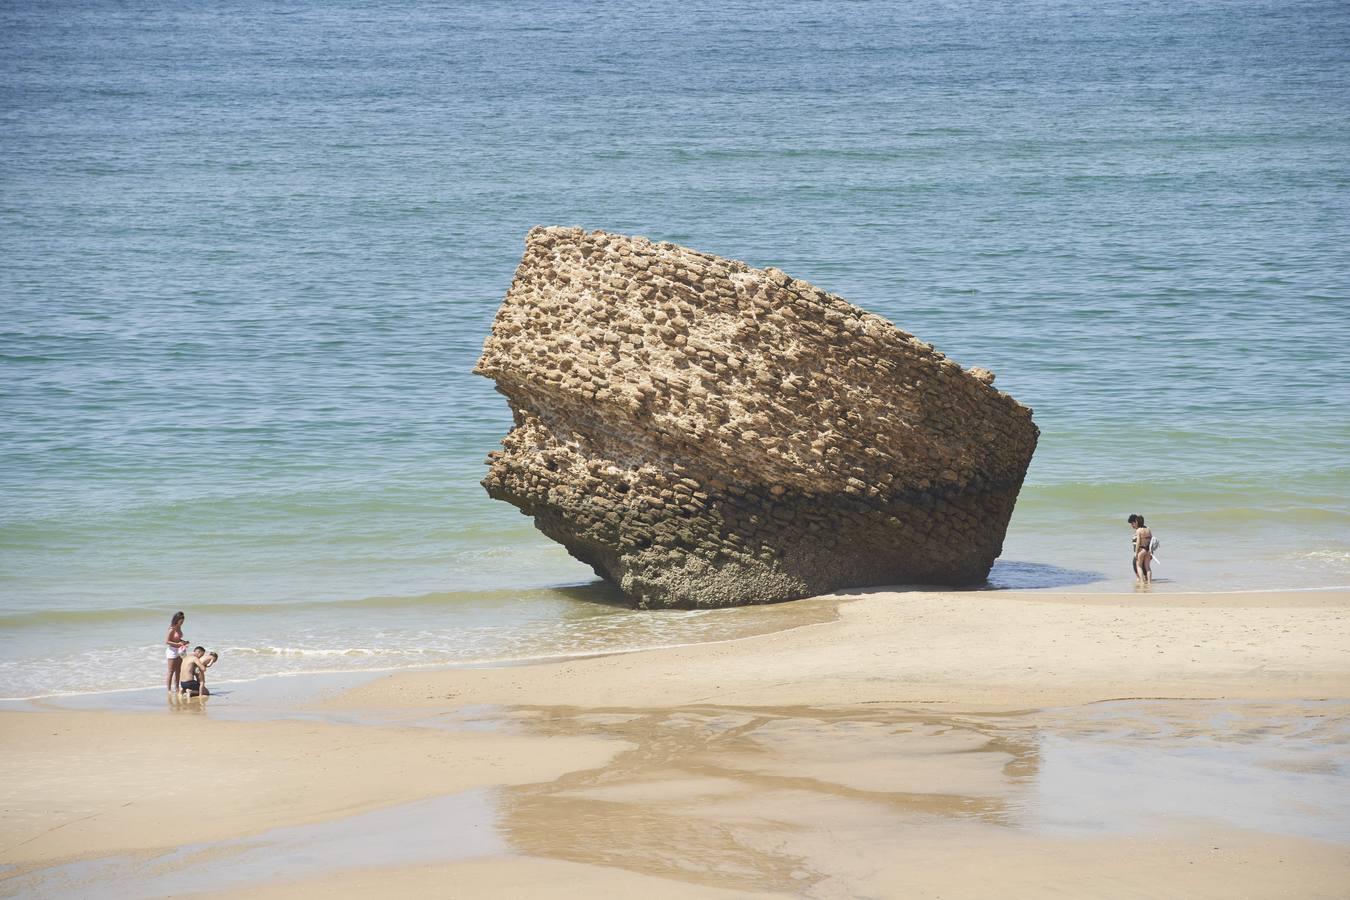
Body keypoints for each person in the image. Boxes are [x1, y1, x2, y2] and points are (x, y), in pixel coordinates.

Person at [165, 611, 189, 692]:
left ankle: (177, 687)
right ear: (177, 620)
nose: (182, 623)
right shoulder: (172, 629)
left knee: (178, 670)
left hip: (180, 650)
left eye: (183, 622)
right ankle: (168, 689)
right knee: (171, 671)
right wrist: (177, 644)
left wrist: (183, 642)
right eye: (181, 621)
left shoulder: (179, 627)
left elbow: (178, 639)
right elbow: (167, 641)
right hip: (172, 651)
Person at [1128, 514, 1154, 585]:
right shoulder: (1148, 529)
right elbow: (1152, 541)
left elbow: (1138, 542)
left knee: (1138, 566)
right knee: (1148, 567)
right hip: (1148, 550)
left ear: (1137, 522)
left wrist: (1136, 553)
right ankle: (1149, 583)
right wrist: (1152, 552)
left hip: (1141, 550)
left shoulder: (1139, 530)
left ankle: (1142, 582)